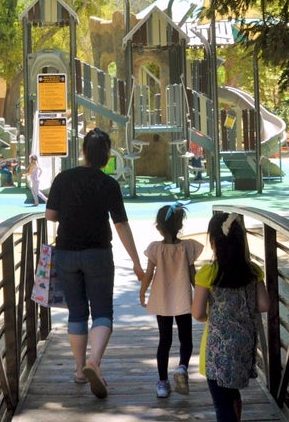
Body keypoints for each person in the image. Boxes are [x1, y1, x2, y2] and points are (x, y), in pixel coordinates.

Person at [45, 128, 145, 399]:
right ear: (106, 156)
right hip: (99, 254)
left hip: (66, 254)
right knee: (102, 312)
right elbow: (121, 224)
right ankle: (94, 362)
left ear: (84, 152)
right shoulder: (109, 185)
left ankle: (79, 369)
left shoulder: (63, 179)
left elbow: (50, 216)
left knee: (77, 313)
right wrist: (136, 262)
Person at [192, 212, 270, 422]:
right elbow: (264, 304)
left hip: (217, 348)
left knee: (221, 403)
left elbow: (198, 312)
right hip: (245, 343)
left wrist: (213, 317)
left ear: (213, 242)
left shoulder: (208, 273)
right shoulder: (253, 271)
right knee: (232, 392)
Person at [139, 203, 203, 398]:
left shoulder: (155, 249)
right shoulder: (188, 247)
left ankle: (162, 383)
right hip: (183, 299)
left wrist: (142, 293)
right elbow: (193, 277)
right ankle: (182, 367)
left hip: (162, 300)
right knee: (186, 339)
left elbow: (149, 275)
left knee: (164, 341)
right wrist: (204, 295)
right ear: (179, 226)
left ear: (159, 227)